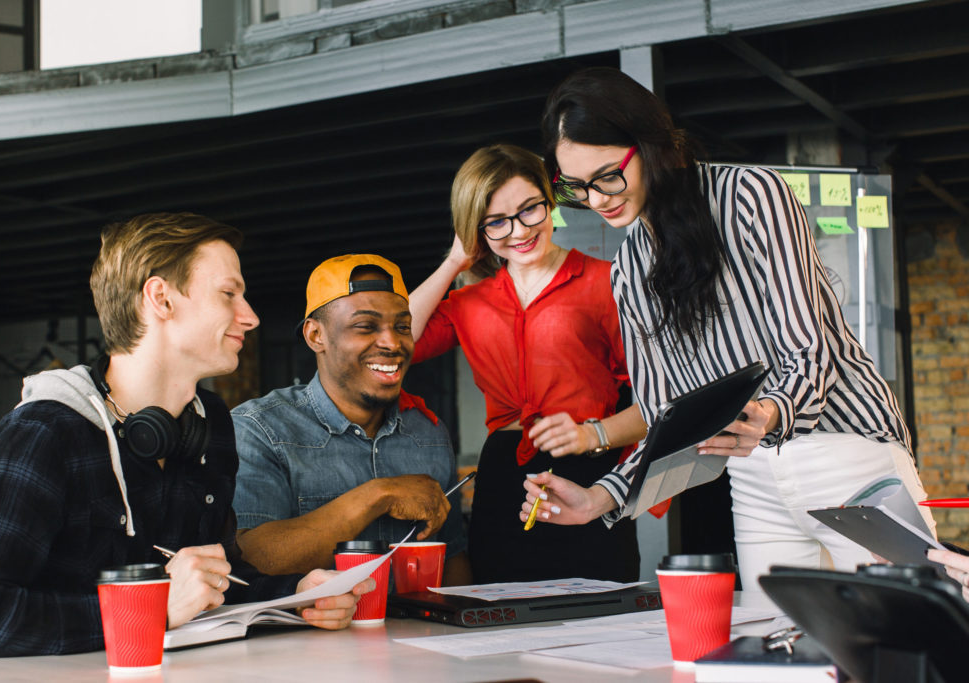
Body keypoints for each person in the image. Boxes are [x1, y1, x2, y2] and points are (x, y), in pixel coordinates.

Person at [518, 66, 936, 591]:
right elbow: (665, 418)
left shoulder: (750, 195)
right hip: (754, 477)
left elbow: (811, 349)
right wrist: (601, 496)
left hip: (845, 452)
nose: (598, 199)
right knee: (779, 659)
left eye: (607, 175)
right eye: (577, 187)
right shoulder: (629, 269)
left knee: (909, 636)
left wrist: (769, 412)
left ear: (648, 146)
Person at [0, 213, 371, 660]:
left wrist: (296, 593)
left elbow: (211, 586)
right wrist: (148, 609)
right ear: (161, 298)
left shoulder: (211, 425)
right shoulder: (42, 433)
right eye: (229, 294)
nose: (251, 317)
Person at [408, 144, 649, 584]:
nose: (518, 231)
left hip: (590, 467)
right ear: (476, 229)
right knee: (502, 615)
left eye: (529, 210)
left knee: (598, 617)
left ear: (549, 200)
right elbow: (397, 343)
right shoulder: (469, 302)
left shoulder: (605, 282)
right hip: (504, 474)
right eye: (496, 221)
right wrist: (455, 261)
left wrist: (593, 436)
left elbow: (656, 402)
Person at [232, 254, 471, 584]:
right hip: (312, 636)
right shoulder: (258, 429)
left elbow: (452, 557)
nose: (392, 343)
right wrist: (379, 495)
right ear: (316, 336)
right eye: (366, 327)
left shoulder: (427, 433)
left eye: (402, 326)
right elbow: (252, 560)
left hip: (418, 633)